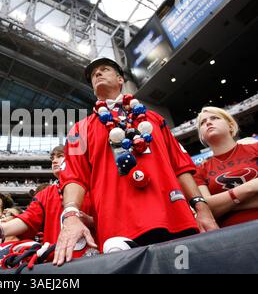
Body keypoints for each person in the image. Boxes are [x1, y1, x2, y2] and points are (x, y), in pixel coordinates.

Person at [53, 57, 218, 266]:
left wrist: (202, 209)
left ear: (121, 79)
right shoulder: (78, 130)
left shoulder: (155, 119)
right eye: (94, 75)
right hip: (119, 229)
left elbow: (180, 166)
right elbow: (74, 176)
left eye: (104, 70)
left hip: (175, 218)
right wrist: (70, 215)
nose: (97, 74)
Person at [0, 145, 94, 257]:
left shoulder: (92, 187)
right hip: (56, 261)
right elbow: (28, 218)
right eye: (52, 158)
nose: (54, 161)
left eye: (60, 156)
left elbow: (108, 220)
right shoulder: (45, 194)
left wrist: (91, 221)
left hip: (94, 258)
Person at [194, 106, 258, 227]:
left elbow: (212, 207)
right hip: (231, 236)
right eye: (203, 122)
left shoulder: (255, 148)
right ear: (201, 135)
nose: (208, 122)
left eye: (214, 118)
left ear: (230, 126)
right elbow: (206, 210)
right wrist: (250, 187)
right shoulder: (199, 171)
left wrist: (225, 205)